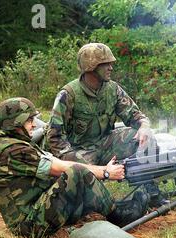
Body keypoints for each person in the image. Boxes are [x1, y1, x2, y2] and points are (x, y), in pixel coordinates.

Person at [0, 97, 148, 238]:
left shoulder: (3, 143)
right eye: (28, 120)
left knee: (71, 176)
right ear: (15, 124)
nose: (33, 125)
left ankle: (111, 207)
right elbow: (59, 168)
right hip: (30, 225)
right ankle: (118, 215)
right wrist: (105, 172)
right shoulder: (13, 151)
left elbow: (46, 160)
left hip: (30, 210)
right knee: (76, 172)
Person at [45, 42, 165, 206]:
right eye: (105, 64)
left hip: (105, 144)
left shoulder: (112, 89)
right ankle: (95, 203)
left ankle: (149, 189)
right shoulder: (68, 94)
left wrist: (144, 126)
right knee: (83, 168)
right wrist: (74, 160)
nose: (111, 68)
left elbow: (135, 115)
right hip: (79, 149)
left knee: (145, 138)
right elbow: (54, 137)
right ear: (91, 66)